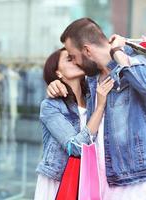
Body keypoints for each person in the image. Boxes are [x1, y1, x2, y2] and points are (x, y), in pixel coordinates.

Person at [47, 18, 146, 200]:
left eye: (73, 56)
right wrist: (55, 85)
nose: (73, 62)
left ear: (87, 50)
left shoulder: (138, 62)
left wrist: (118, 53)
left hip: (138, 187)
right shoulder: (91, 79)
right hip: (103, 188)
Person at [34, 47, 114, 200]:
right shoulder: (51, 105)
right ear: (58, 72)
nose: (76, 61)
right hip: (60, 180)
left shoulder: (93, 97)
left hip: (88, 179)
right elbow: (76, 148)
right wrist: (100, 108)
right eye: (69, 59)